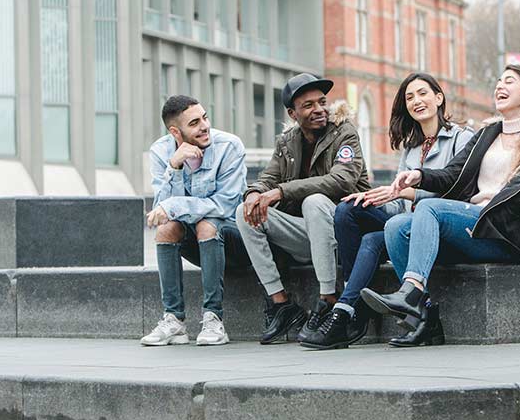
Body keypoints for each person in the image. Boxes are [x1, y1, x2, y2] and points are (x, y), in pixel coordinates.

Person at [359, 64, 520, 342]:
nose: (499, 86)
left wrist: (517, 203)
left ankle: (411, 290)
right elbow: (452, 174)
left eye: (509, 82)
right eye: (498, 81)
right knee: (396, 225)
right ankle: (424, 317)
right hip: (474, 227)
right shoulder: (487, 135)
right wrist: (419, 176)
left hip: (506, 234)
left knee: (432, 208)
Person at [300, 73, 473, 350]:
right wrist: (374, 198)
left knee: (373, 237)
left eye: (422, 93)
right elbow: (399, 203)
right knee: (349, 209)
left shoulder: (462, 139)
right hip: (404, 222)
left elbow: (458, 188)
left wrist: (402, 191)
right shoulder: (412, 147)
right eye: (409, 97)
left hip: (439, 226)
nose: (416, 101)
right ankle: (349, 306)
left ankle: (347, 311)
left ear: (439, 98)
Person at [236, 73, 371, 344]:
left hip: (345, 230)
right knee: (244, 213)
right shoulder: (287, 142)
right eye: (308, 105)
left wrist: (283, 191)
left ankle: (329, 298)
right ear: (293, 113)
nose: (319, 109)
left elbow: (342, 180)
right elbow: (268, 178)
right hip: (310, 234)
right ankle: (282, 303)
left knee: (315, 200)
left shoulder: (345, 132)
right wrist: (253, 193)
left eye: (322, 102)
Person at [142, 95, 247, 346]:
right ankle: (174, 320)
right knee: (166, 229)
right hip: (199, 244)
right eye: (195, 123)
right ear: (175, 131)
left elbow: (225, 206)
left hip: (235, 239)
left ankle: (214, 319)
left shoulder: (229, 146)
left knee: (206, 222)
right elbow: (162, 212)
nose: (204, 126)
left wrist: (174, 206)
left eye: (205, 117)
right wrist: (175, 166)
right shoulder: (160, 152)